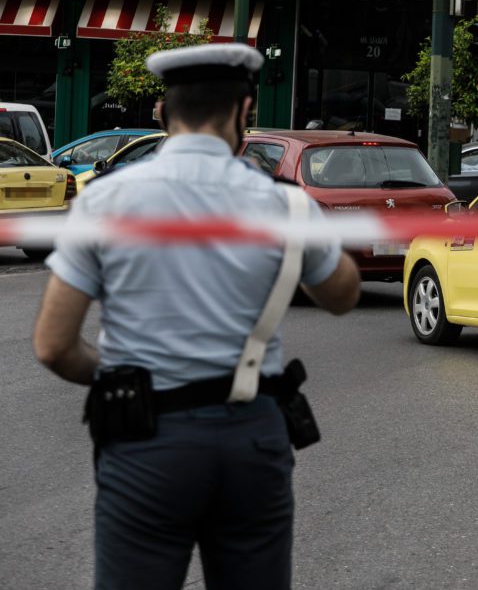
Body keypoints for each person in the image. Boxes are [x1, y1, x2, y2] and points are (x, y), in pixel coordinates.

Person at [32, 44, 361, 590]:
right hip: (253, 438)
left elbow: (53, 346)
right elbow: (342, 295)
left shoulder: (104, 202)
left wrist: (120, 372)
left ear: (162, 114)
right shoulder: (286, 206)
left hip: (145, 437)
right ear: (244, 112)